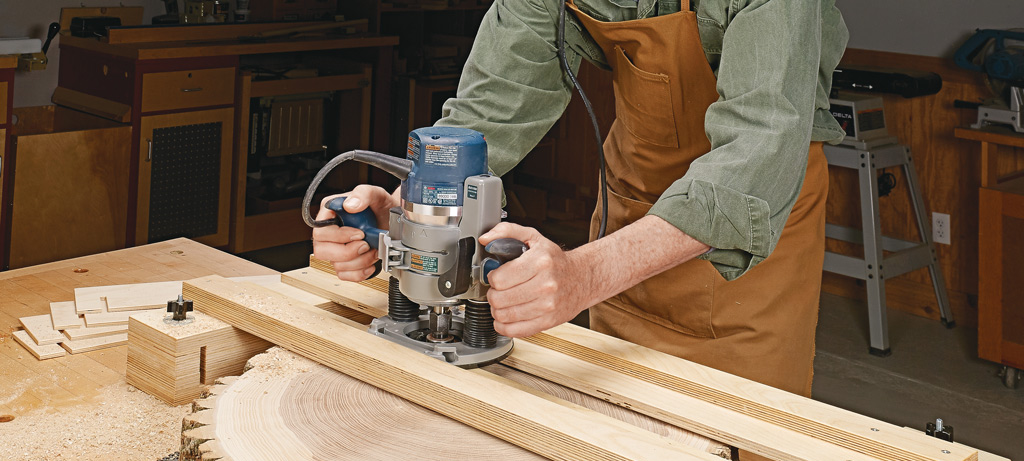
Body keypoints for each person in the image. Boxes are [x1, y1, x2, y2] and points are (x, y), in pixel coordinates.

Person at [312, 0, 848, 396]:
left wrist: (586, 276)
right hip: (632, 200)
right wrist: (412, 210)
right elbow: (491, 109)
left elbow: (759, 154)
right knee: (617, 425)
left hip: (750, 230)